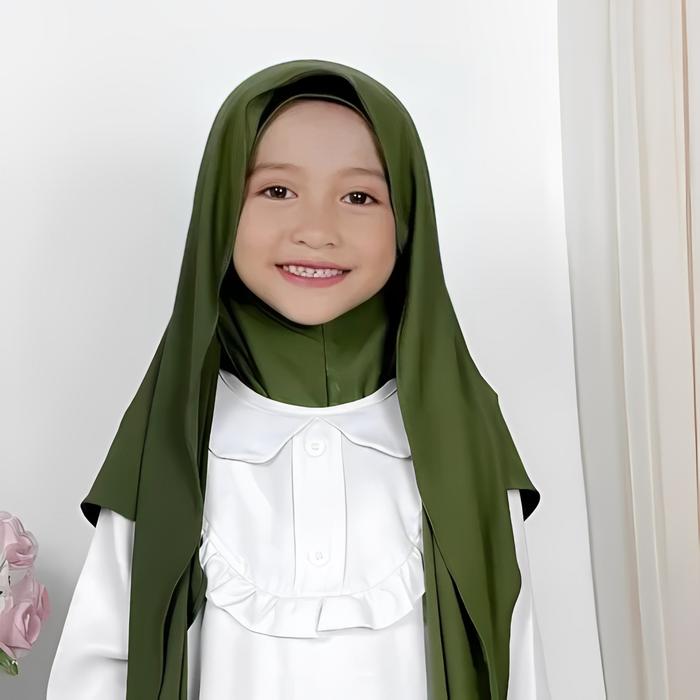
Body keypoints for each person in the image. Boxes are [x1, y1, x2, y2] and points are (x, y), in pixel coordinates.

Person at [46, 59, 550, 699]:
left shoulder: (463, 434)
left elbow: (515, 654)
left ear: (408, 219)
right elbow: (102, 659)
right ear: (221, 206)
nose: (316, 231)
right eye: (277, 191)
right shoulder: (172, 433)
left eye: (359, 197)